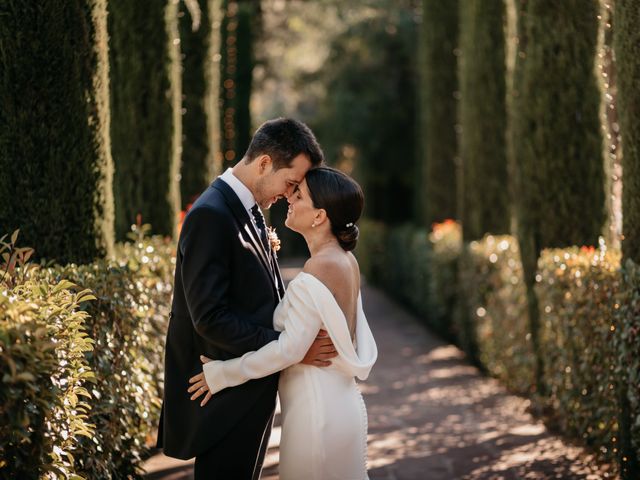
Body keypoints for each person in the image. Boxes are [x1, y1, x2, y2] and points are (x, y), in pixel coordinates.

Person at [157, 118, 331, 480]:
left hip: (248, 392)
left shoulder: (247, 209)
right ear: (264, 163)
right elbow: (211, 317)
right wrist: (290, 346)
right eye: (290, 183)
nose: (289, 194)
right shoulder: (211, 214)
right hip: (224, 402)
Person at [188, 166, 378, 479]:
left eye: (299, 194)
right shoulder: (346, 260)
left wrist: (221, 374)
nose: (290, 196)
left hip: (316, 415)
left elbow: (288, 350)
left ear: (319, 216)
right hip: (344, 404)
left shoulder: (317, 268)